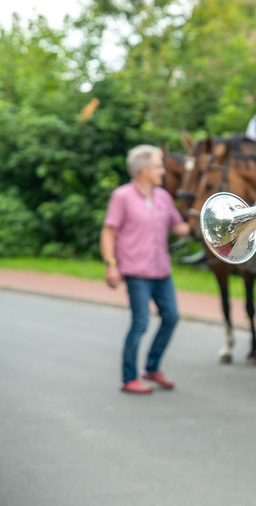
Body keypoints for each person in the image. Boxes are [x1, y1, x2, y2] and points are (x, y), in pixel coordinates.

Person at [101, 145, 191, 394]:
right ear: (144, 169)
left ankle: (151, 367)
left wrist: (205, 226)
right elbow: (109, 232)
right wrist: (111, 265)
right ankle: (129, 378)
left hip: (161, 270)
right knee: (140, 322)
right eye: (159, 165)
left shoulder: (162, 196)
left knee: (171, 317)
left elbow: (180, 228)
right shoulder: (122, 196)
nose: (163, 170)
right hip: (136, 271)